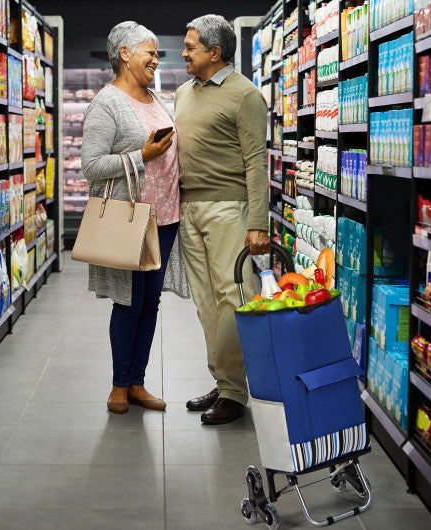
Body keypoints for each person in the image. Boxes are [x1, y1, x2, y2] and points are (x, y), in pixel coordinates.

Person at [81, 21, 190, 415]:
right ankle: (119, 384)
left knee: (151, 303)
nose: (156, 61)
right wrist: (139, 157)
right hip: (131, 219)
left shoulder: (156, 99)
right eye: (151, 52)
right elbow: (91, 165)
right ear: (124, 53)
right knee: (129, 303)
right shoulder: (106, 103)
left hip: (166, 217)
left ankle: (139, 381)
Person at [175, 14, 270, 425]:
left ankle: (235, 392)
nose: (183, 52)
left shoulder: (245, 95)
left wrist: (259, 223)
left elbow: (256, 162)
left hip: (228, 209)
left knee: (233, 299)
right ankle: (223, 379)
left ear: (216, 52)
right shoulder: (183, 93)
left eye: (191, 46)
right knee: (206, 302)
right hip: (188, 209)